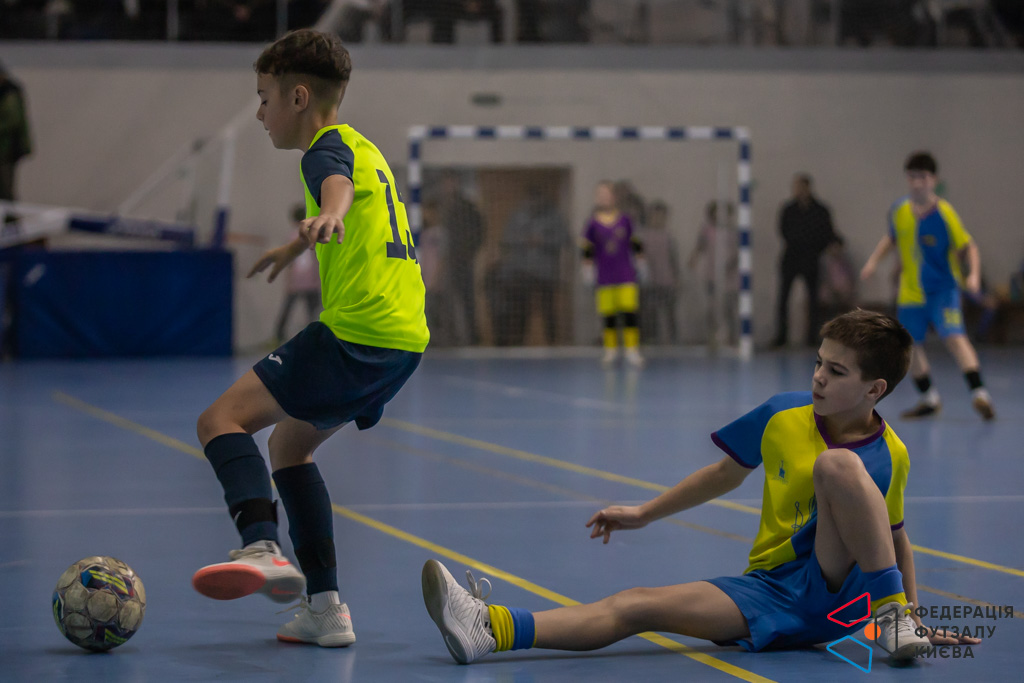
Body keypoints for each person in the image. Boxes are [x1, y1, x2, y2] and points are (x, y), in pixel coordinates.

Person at [420, 309, 982, 664]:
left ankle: (891, 622)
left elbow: (896, 537)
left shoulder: (891, 453)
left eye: (836, 372)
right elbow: (724, 473)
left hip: (839, 594)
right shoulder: (782, 415)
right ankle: (489, 628)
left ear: (874, 389)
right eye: (818, 362)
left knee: (837, 468)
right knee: (635, 604)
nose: (817, 376)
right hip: (771, 590)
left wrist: (911, 615)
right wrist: (643, 513)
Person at [190, 29, 428, 648]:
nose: (259, 113)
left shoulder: (322, 152)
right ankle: (326, 610)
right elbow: (345, 197)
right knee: (290, 449)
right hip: (404, 339)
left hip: (357, 333)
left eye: (263, 98)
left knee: (219, 420)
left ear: (298, 97)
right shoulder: (361, 147)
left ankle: (261, 547)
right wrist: (295, 244)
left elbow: (336, 191)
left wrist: (330, 213)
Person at [861, 151, 995, 421]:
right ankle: (929, 398)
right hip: (910, 293)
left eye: (922, 177)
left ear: (933, 180)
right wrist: (873, 262)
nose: (917, 183)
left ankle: (980, 394)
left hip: (943, 290)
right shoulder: (899, 210)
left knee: (954, 337)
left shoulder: (945, 213)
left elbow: (969, 246)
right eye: (912, 177)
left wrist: (973, 275)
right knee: (908, 344)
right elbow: (891, 238)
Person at [581, 180, 644, 368]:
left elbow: (635, 242)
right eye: (600, 194)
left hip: (625, 274)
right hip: (605, 276)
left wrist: (641, 261)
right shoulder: (592, 223)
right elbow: (587, 247)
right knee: (608, 315)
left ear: (614, 197)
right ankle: (610, 350)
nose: (604, 198)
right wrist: (587, 268)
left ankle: (632, 350)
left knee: (629, 312)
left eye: (607, 194)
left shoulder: (625, 220)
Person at [496, 186, 569, 345]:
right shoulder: (517, 216)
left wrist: (544, 241)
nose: (533, 203)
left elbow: (564, 238)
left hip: (546, 272)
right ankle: (521, 343)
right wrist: (524, 239)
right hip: (522, 272)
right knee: (521, 308)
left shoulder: (554, 216)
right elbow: (506, 238)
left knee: (548, 309)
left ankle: (552, 343)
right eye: (530, 200)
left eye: (537, 200)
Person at [773, 174, 840, 347]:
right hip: (792, 257)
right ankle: (782, 336)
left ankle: (812, 337)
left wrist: (817, 247)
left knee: (813, 299)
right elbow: (784, 231)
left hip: (811, 258)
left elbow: (826, 232)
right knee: (783, 298)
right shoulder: (789, 210)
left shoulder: (820, 210)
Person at [439, 170, 484, 344]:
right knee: (446, 301)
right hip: (445, 261)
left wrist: (468, 252)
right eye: (445, 182)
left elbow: (479, 231)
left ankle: (472, 338)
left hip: (463, 260)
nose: (448, 186)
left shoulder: (467, 207)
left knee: (467, 299)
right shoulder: (441, 205)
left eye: (451, 182)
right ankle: (449, 338)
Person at [688, 201, 738, 347]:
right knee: (712, 307)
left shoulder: (733, 231)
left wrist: (731, 265)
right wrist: (693, 259)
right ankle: (712, 337)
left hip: (730, 276)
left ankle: (732, 338)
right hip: (711, 274)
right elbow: (700, 246)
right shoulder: (707, 230)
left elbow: (739, 252)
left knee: (729, 307)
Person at [273, 203, 322, 343]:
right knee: (312, 312)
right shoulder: (312, 234)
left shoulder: (293, 236)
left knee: (292, 309)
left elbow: (291, 260)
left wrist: (289, 280)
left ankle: (279, 336)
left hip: (298, 281)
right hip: (310, 281)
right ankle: (314, 337)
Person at [638, 200, 680, 345]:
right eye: (655, 216)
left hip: (667, 280)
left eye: (662, 216)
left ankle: (673, 340)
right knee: (649, 313)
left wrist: (677, 278)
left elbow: (673, 259)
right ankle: (650, 339)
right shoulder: (642, 236)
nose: (658, 219)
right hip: (648, 282)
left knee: (669, 312)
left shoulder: (669, 237)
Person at [0, 62, 32, 202]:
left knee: (5, 190)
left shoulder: (8, 93)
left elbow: (13, 120)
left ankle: (10, 216)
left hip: (7, 150)